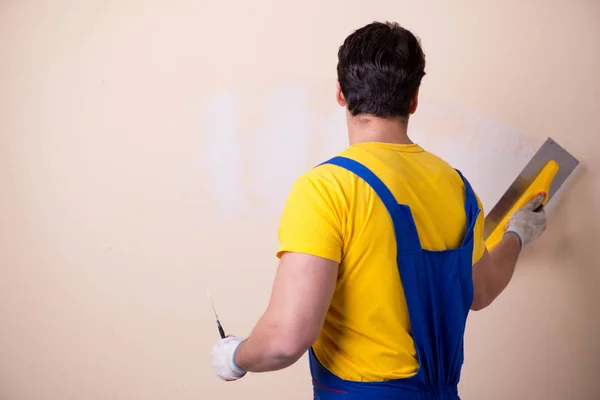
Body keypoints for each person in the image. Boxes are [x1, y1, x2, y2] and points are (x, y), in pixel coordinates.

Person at [210, 21, 547, 399]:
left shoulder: (326, 189)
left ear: (341, 93)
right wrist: (517, 233)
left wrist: (234, 356)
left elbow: (286, 340)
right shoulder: (456, 187)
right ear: (414, 99)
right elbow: (481, 290)